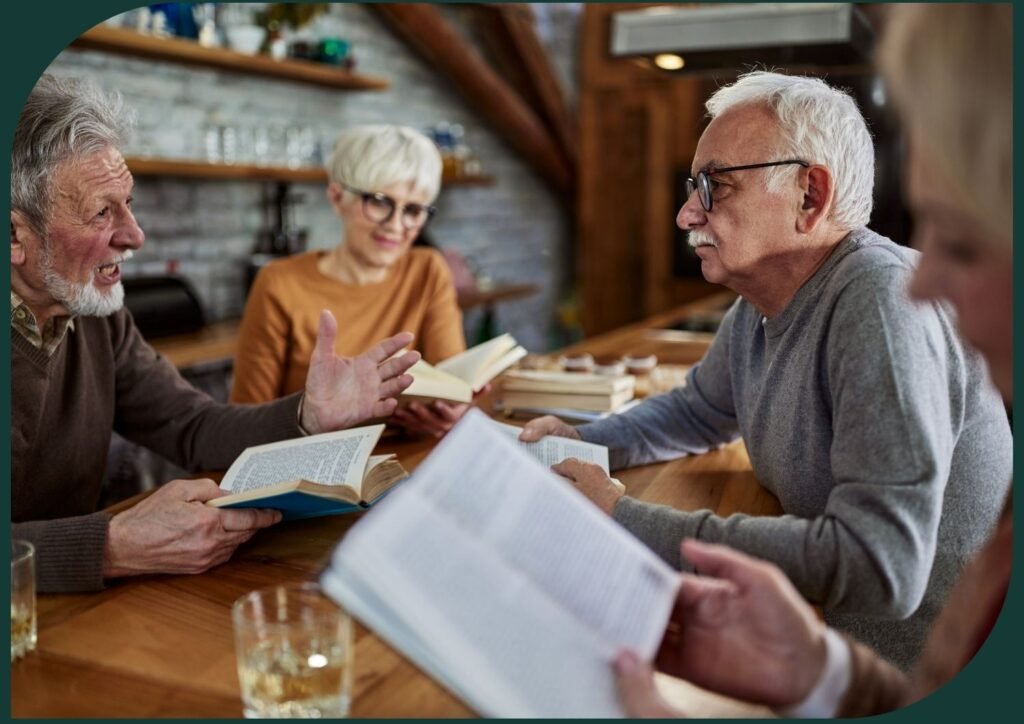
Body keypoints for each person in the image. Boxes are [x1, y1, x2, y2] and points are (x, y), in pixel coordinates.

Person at [521, 69, 1012, 668]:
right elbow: (699, 410)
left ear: (811, 195)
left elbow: (881, 565)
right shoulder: (762, 303)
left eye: (715, 186)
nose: (685, 215)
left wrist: (622, 519)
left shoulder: (879, 302)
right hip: (823, 645)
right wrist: (586, 442)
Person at [10, 75, 420, 593]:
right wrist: (111, 545)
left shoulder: (96, 315)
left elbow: (191, 424)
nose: (135, 235)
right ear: (14, 236)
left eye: (128, 203)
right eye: (101, 212)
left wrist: (308, 416)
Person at [230, 124, 472, 438]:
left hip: (407, 461)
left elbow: (449, 385)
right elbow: (246, 420)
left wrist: (450, 415)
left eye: (412, 210)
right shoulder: (278, 283)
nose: (396, 226)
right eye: (380, 202)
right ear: (336, 197)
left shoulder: (428, 270)